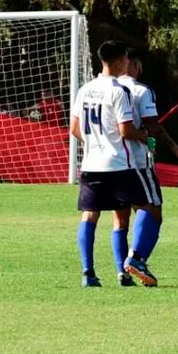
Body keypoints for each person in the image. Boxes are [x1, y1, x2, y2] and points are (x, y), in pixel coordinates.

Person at [70, 40, 151, 288]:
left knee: (89, 216)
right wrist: (143, 135)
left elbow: (74, 129)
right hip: (118, 164)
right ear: (117, 62)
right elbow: (125, 130)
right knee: (149, 209)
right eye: (126, 59)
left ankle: (88, 272)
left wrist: (96, 141)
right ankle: (127, 267)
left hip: (92, 163)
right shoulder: (119, 90)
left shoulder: (85, 89)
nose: (128, 63)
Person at [117, 48, 178, 286]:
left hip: (107, 162)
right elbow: (152, 125)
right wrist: (175, 148)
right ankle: (136, 258)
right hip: (136, 160)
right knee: (153, 210)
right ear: (135, 66)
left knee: (120, 218)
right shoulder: (140, 90)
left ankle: (121, 273)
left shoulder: (100, 88)